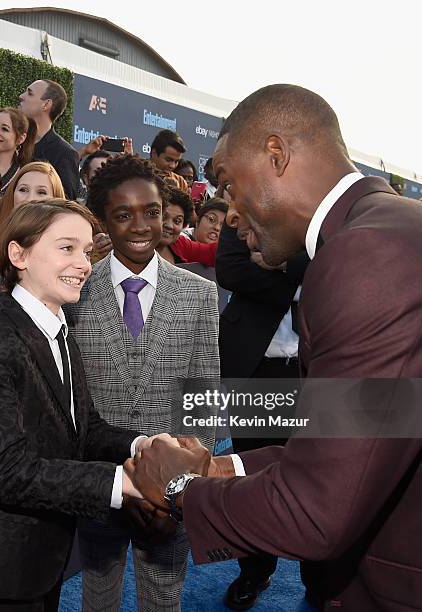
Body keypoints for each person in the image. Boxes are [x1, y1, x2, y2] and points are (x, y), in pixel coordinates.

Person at [126, 84, 422, 611]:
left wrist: (177, 491)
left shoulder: (364, 253)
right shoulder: (381, 232)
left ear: (276, 155)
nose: (228, 213)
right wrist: (217, 469)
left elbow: (318, 510)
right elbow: (363, 434)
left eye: (228, 184)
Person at [0, 198, 175, 612]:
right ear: (19, 254)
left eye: (87, 251)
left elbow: (83, 427)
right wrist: (121, 482)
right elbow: (8, 473)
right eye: (67, 248)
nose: (85, 264)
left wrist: (141, 445)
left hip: (44, 554)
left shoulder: (60, 331)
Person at [64, 154, 220, 612]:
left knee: (163, 599)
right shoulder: (75, 291)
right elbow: (72, 399)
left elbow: (205, 399)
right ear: (102, 221)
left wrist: (178, 487)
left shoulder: (198, 293)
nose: (140, 225)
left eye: (151, 212)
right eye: (123, 214)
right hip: (99, 480)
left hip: (171, 490)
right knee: (98, 595)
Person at [217, 204, 310, 610]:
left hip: (311, 371)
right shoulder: (242, 208)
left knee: (314, 476)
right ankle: (254, 571)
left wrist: (275, 266)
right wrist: (298, 278)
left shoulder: (317, 216)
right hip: (254, 369)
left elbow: (328, 275)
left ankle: (319, 578)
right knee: (250, 472)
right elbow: (231, 271)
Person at [0, 161, 64, 268]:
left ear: (56, 198)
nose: (30, 199)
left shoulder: (64, 247)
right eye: (23, 190)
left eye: (41, 192)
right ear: (12, 194)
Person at [19, 79, 79, 199]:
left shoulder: (64, 154)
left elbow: (65, 203)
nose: (21, 96)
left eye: (30, 93)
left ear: (46, 104)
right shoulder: (12, 141)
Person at [156, 186, 194, 264]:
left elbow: (212, 252)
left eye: (177, 221)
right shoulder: (131, 249)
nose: (169, 225)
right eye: (163, 217)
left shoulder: (180, 245)